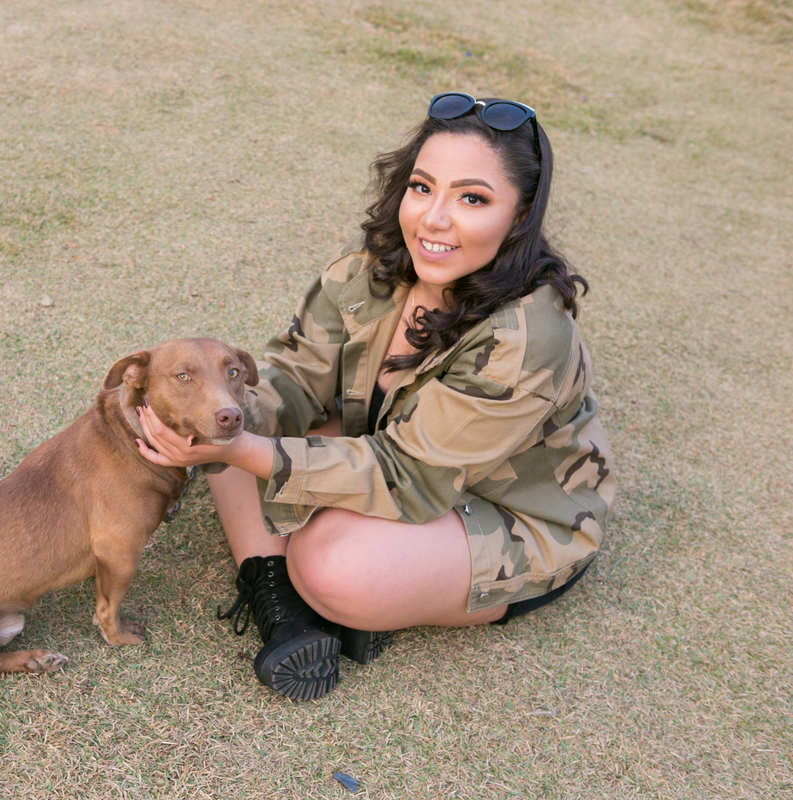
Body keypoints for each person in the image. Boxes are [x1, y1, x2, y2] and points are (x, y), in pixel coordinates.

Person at [136, 93, 615, 701]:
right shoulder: (373, 270)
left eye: (473, 198)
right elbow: (296, 374)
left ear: (519, 217)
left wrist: (248, 454)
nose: (434, 219)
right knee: (228, 425)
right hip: (391, 451)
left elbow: (410, 475)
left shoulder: (527, 336)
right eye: (423, 187)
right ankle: (284, 613)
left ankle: (333, 595)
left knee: (335, 565)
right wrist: (200, 419)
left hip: (509, 510)